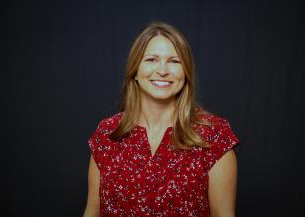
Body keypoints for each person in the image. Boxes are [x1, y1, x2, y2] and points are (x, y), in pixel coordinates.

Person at [83, 22, 240, 217]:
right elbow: (92, 212)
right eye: (151, 59)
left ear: (186, 72)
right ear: (135, 70)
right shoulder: (107, 134)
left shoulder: (214, 136)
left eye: (174, 61)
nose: (163, 70)